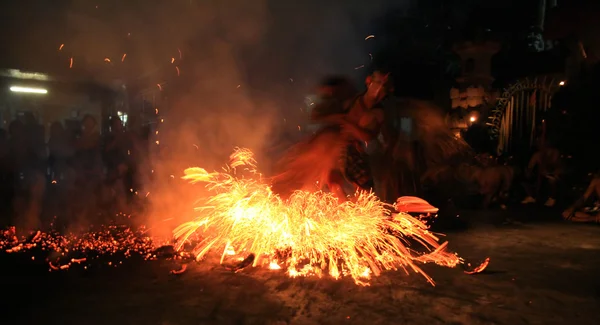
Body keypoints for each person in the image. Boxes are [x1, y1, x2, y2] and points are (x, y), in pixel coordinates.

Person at [271, 71, 393, 200]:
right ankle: (346, 211)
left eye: (384, 86)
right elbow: (328, 115)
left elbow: (368, 137)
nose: (379, 89)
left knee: (364, 191)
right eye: (378, 83)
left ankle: (365, 214)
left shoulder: (377, 113)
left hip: (352, 151)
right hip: (336, 147)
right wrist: (333, 116)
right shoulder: (354, 100)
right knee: (332, 181)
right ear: (369, 81)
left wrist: (350, 126)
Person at [521, 141, 562, 207]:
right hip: (541, 175)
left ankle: (552, 199)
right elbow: (530, 166)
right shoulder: (537, 154)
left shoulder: (555, 153)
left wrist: (553, 174)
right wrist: (529, 172)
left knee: (552, 181)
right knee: (525, 180)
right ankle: (532, 196)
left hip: (552, 175)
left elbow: (559, 167)